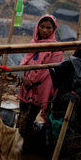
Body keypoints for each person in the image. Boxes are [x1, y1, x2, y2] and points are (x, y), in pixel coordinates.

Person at [17, 14, 63, 151]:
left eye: (49, 28)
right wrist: (24, 76)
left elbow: (50, 71)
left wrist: (33, 81)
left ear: (54, 29)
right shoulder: (33, 43)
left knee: (30, 117)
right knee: (22, 114)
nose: (45, 30)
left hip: (39, 88)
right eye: (42, 27)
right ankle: (18, 141)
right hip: (26, 86)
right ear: (37, 27)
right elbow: (25, 61)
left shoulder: (56, 48)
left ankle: (26, 146)